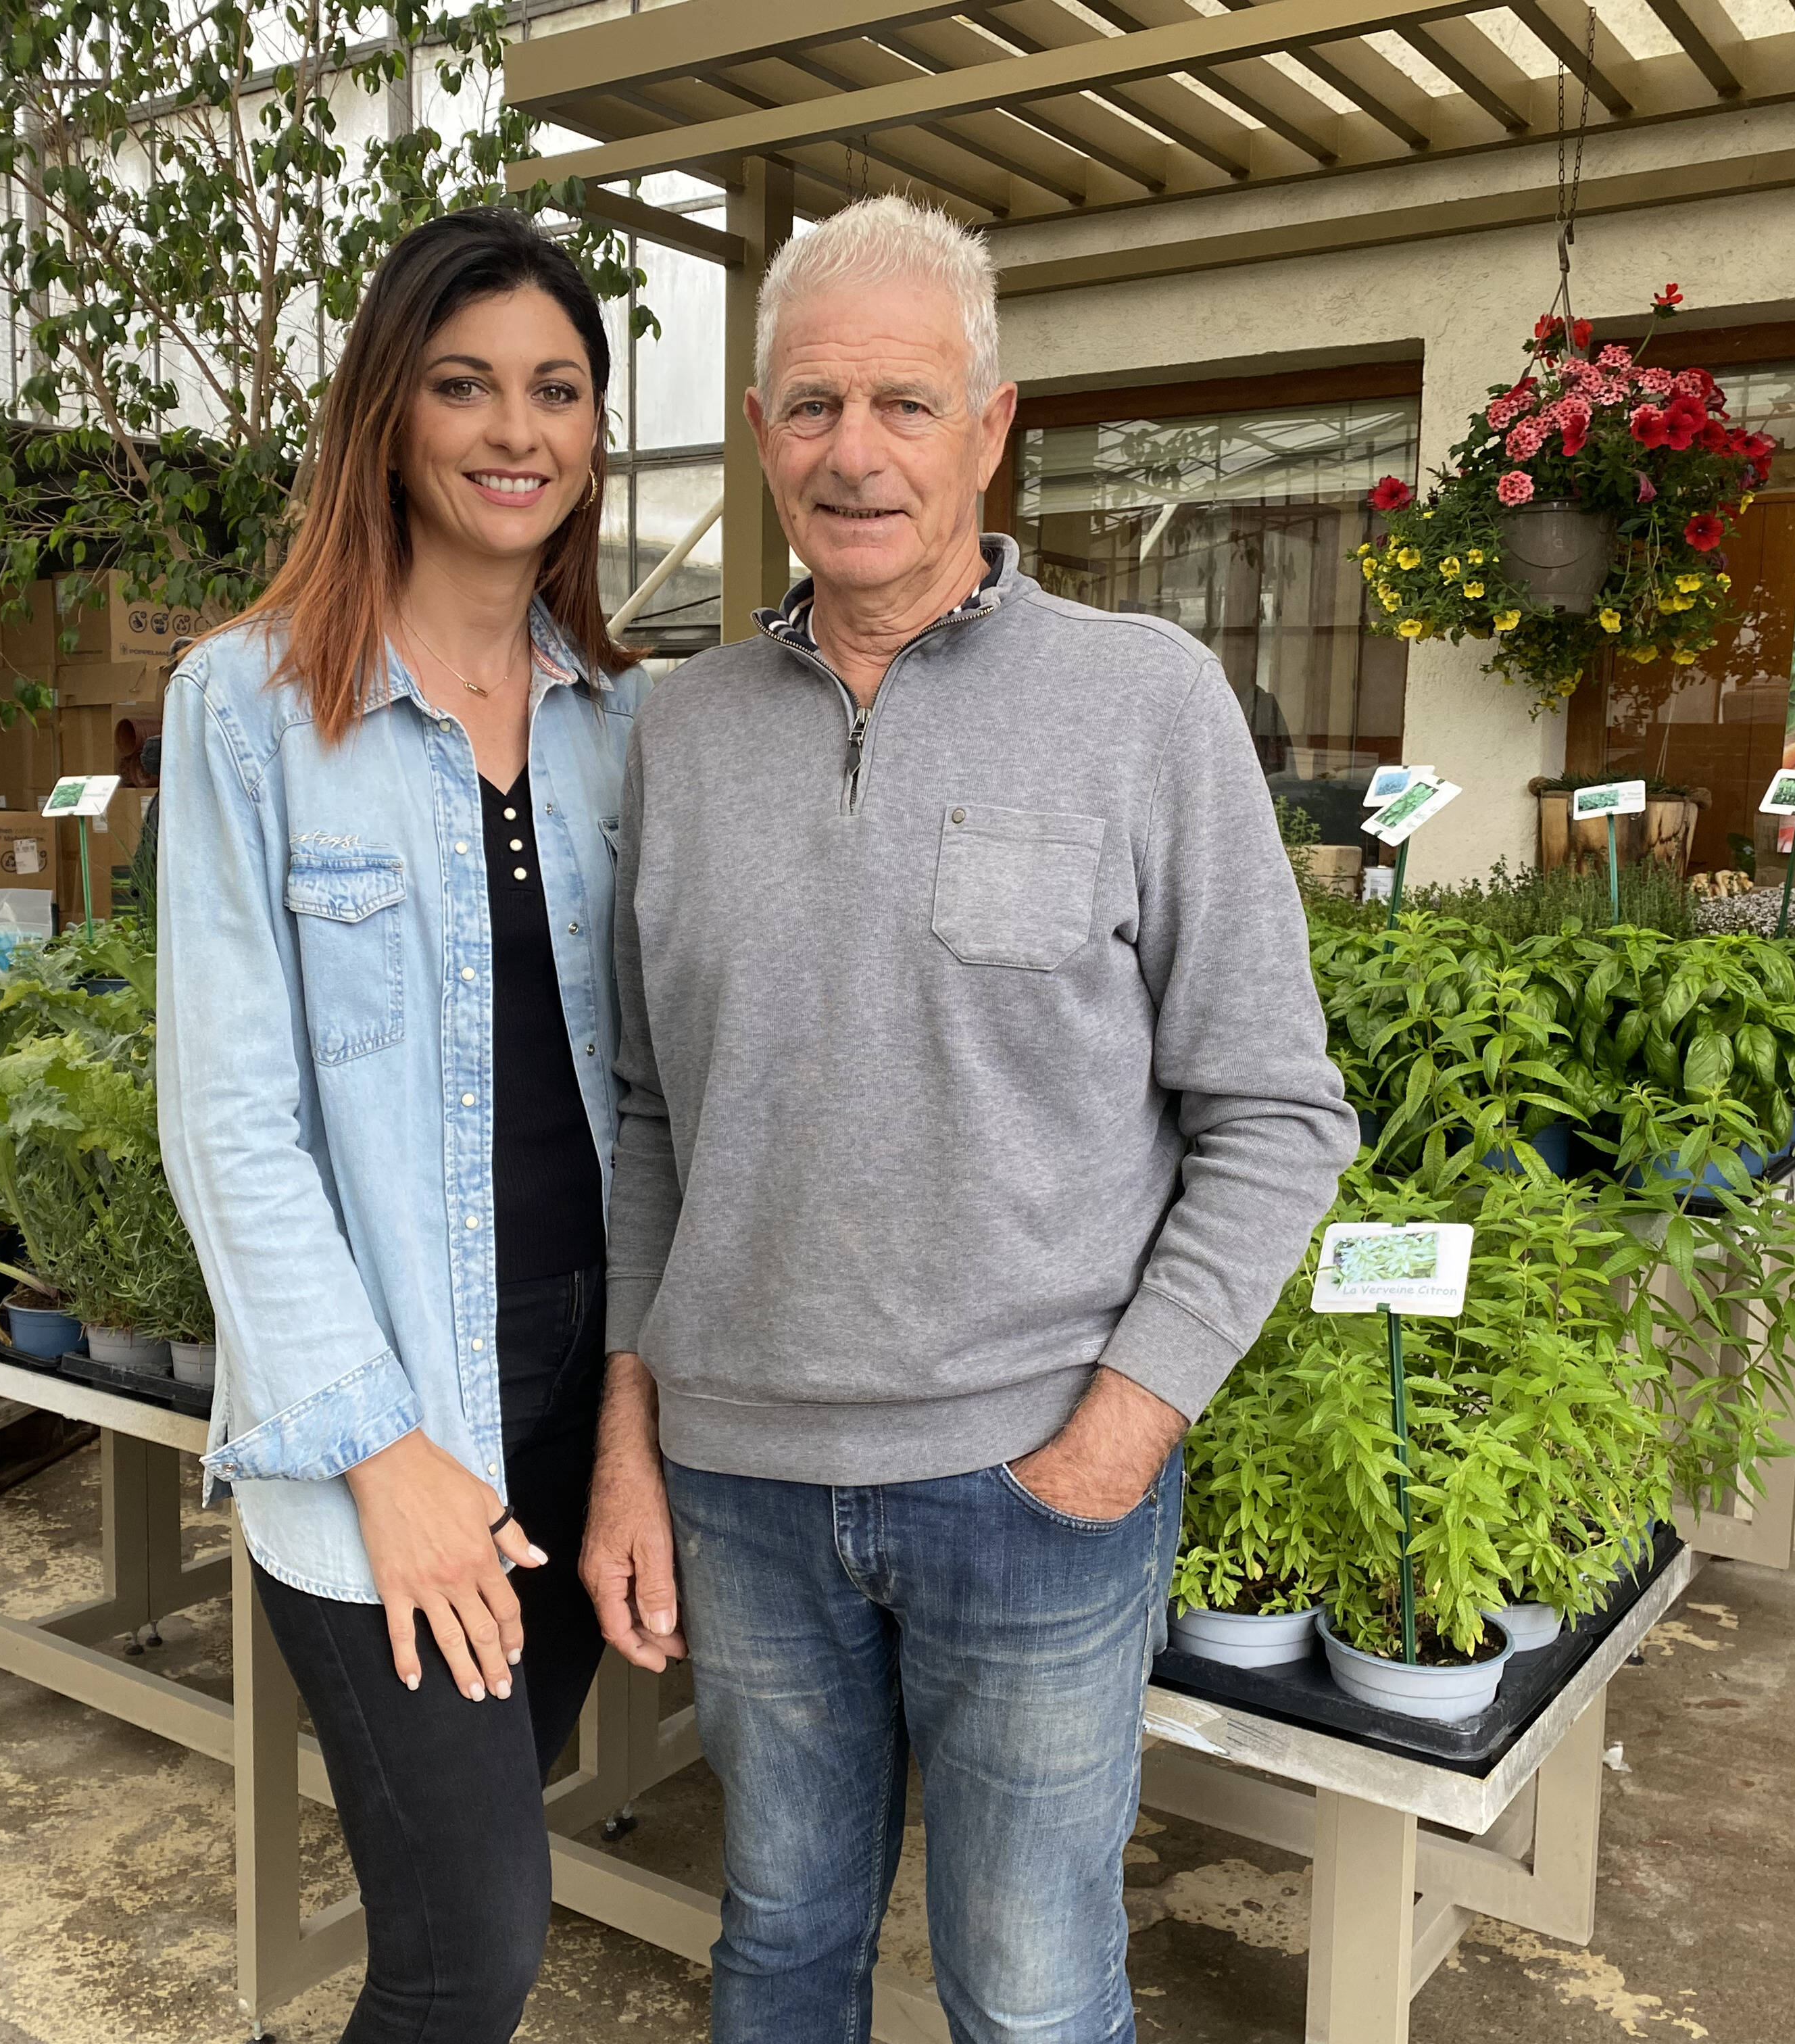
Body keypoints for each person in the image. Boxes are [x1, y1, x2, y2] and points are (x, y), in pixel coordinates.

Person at [583, 195, 1355, 2043]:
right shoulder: (674, 733)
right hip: (743, 1492)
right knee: (777, 1946)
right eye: (817, 406)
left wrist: (1123, 1425)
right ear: (762, 436)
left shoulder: (1144, 706)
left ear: (992, 428)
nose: (859, 453)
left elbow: (1276, 1110)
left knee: (1027, 1986)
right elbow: (641, 1117)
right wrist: (632, 1438)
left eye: (908, 404)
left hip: (1033, 1485)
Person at [156, 208, 642, 2044]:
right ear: (389, 413)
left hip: (579, 1396)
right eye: (464, 385)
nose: (514, 429)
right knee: (470, 1950)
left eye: (556, 389)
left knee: (483, 1877)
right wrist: (388, 1452)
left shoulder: (619, 727)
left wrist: (632, 1431)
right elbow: (227, 1120)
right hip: (388, 1419)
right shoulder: (255, 709)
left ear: (595, 432)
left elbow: (648, 1109)